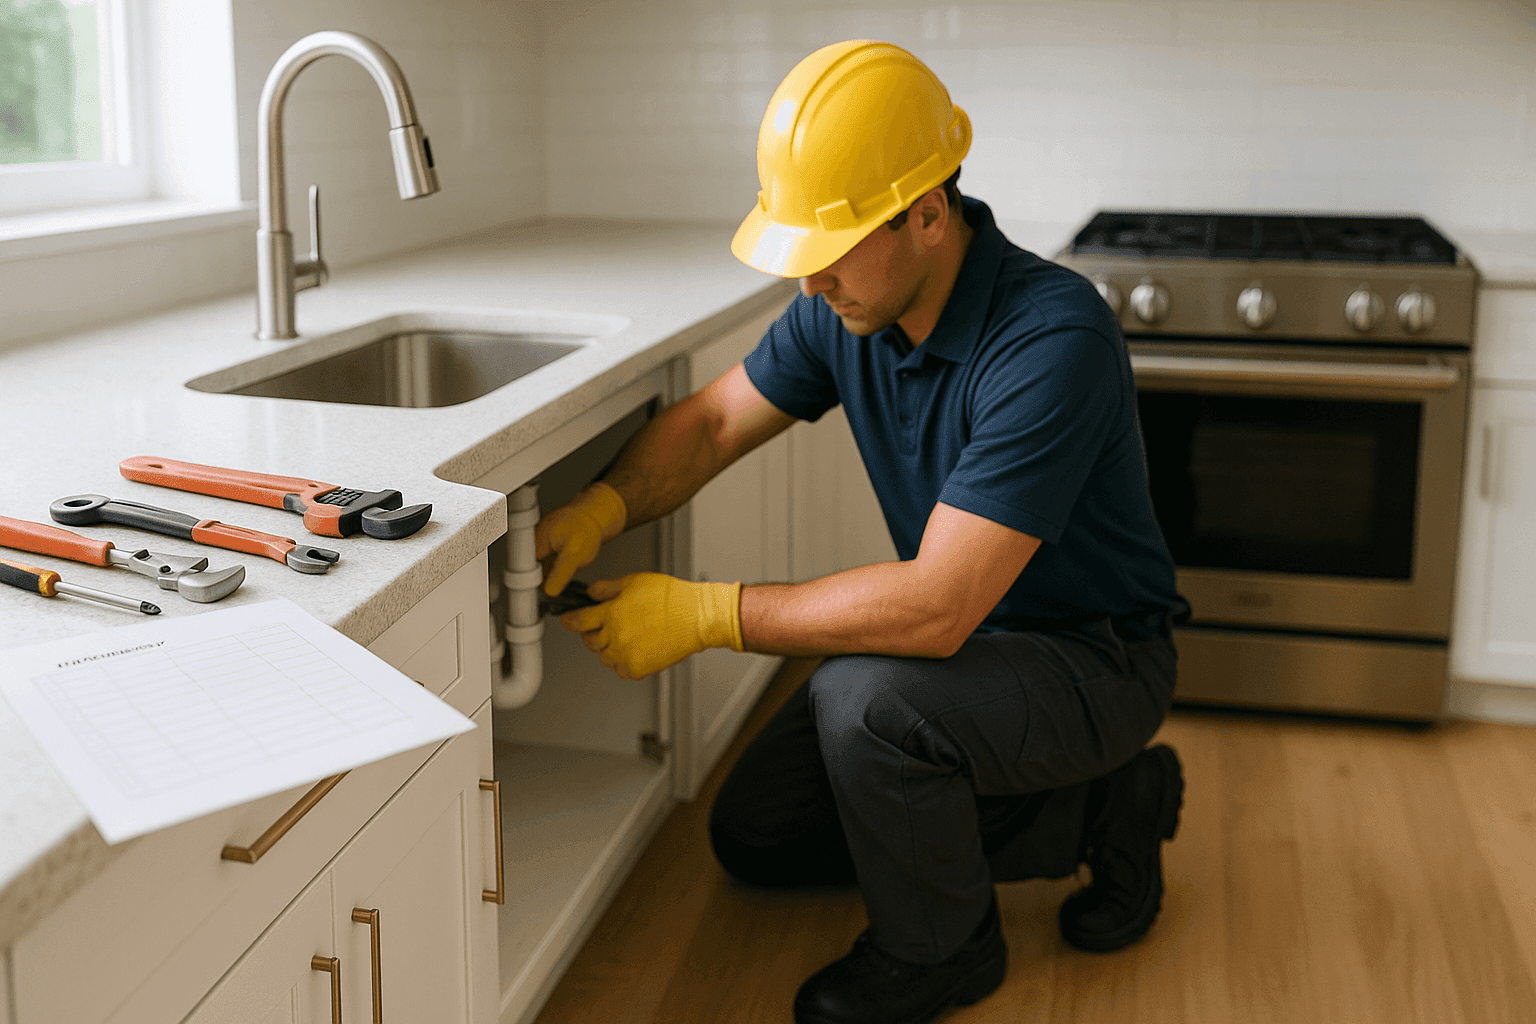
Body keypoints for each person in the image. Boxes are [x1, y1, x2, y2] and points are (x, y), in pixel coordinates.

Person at [536, 39, 1188, 1024]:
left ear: (929, 214)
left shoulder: (1051, 341)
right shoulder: (847, 310)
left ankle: (944, 951)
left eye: (825, 251)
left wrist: (710, 613)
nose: (808, 285)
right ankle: (1101, 808)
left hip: (1092, 658)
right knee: (757, 833)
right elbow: (712, 422)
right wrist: (602, 504)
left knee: (865, 698)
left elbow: (934, 606)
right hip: (969, 651)